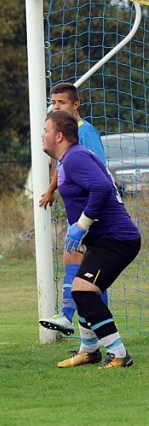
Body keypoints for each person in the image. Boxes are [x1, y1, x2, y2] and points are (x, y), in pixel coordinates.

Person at [42, 111, 140, 368]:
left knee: (83, 293)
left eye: (46, 131)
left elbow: (103, 187)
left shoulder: (75, 158)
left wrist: (82, 224)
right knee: (82, 290)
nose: (43, 136)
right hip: (104, 240)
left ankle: (119, 354)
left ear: (59, 136)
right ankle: (89, 350)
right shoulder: (70, 159)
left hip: (117, 239)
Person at [38, 83, 109, 336]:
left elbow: (96, 170)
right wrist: (51, 189)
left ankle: (68, 316)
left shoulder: (85, 132)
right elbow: (66, 163)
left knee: (83, 266)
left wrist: (88, 213)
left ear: (75, 105)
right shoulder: (65, 136)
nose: (56, 107)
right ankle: (90, 337)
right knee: (91, 275)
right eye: (54, 103)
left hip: (90, 212)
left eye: (62, 103)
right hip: (79, 212)